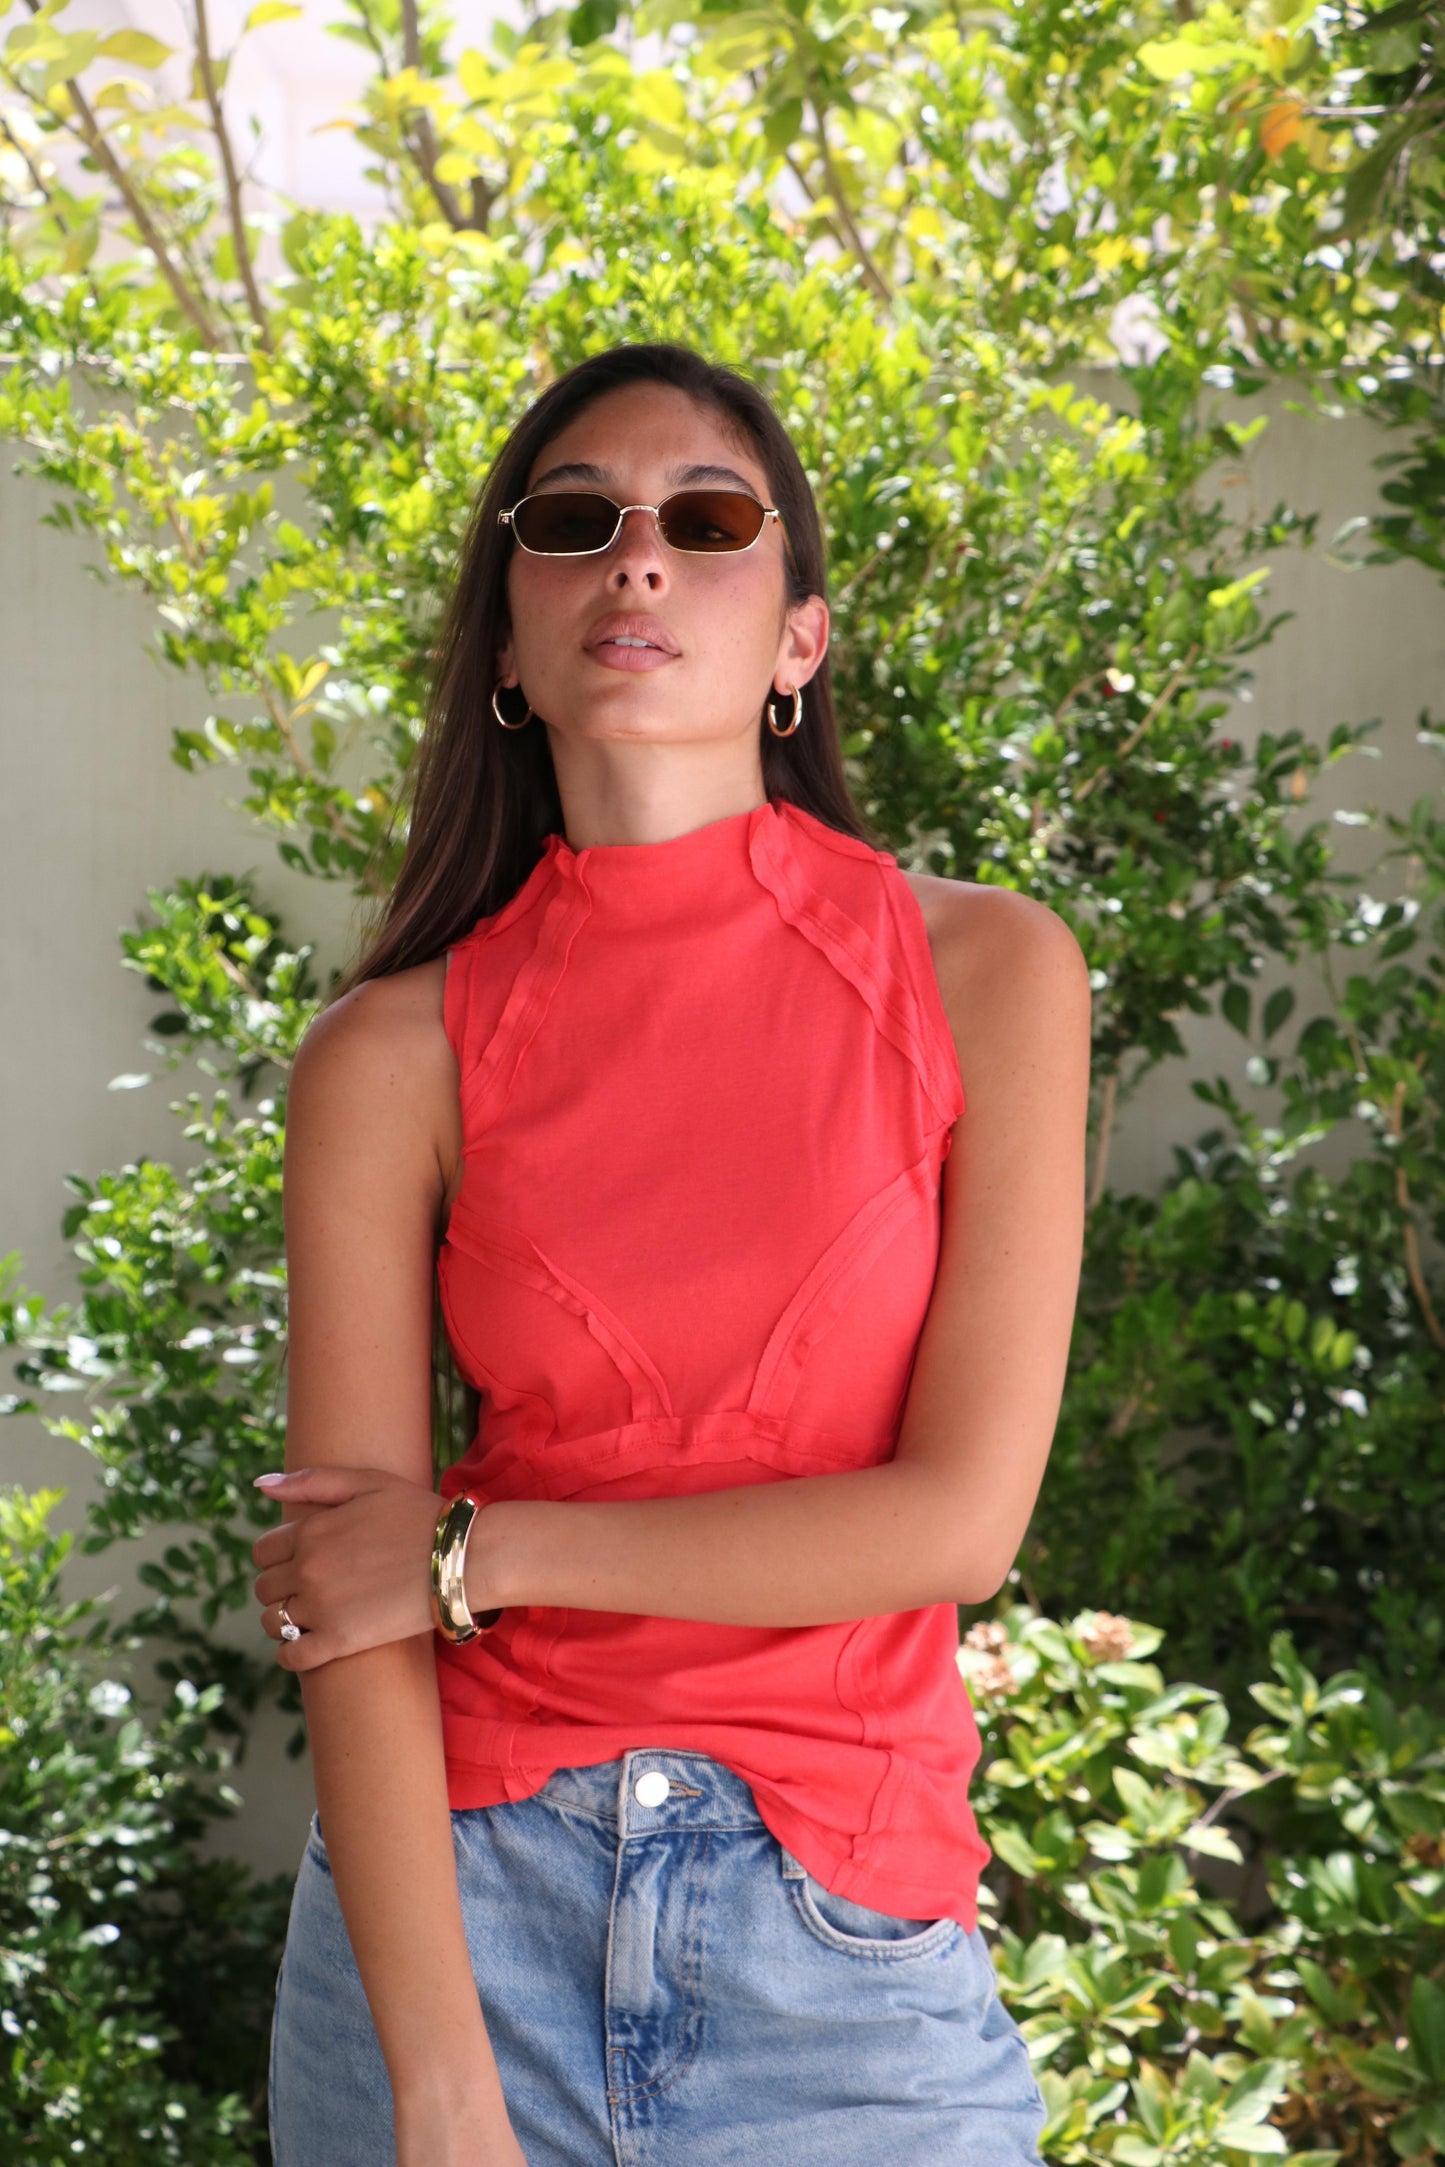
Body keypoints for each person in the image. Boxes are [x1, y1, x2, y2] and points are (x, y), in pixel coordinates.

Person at [252, 339, 1089, 2167]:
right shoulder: (389, 1057)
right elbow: (344, 1603)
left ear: (798, 638)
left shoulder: (987, 974)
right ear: (506, 643)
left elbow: (960, 1522)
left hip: (841, 1959)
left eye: (705, 522)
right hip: (459, 1927)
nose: (637, 556)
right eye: (573, 524)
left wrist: (477, 1552)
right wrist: (440, 2090)